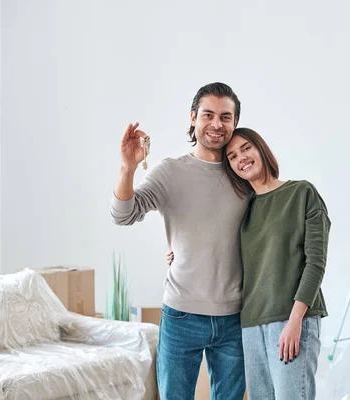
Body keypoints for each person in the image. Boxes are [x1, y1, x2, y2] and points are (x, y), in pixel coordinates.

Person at [168, 127, 330, 399]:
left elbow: (316, 262)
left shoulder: (301, 193)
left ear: (261, 149)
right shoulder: (244, 208)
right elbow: (220, 250)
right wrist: (179, 253)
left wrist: (295, 320)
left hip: (292, 319)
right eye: (232, 156)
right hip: (250, 324)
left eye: (246, 148)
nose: (241, 158)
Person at [110, 83, 248, 400]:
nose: (217, 124)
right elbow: (124, 214)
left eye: (226, 117)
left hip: (236, 316)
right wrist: (128, 168)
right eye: (208, 114)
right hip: (182, 314)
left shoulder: (245, 171)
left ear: (235, 123)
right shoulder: (171, 172)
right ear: (192, 118)